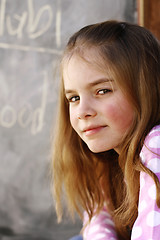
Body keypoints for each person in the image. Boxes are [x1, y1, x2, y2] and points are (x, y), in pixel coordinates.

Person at [51, 20, 160, 240]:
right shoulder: (106, 157)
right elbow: (97, 223)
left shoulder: (156, 144)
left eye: (102, 91)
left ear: (144, 89)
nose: (82, 111)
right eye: (74, 98)